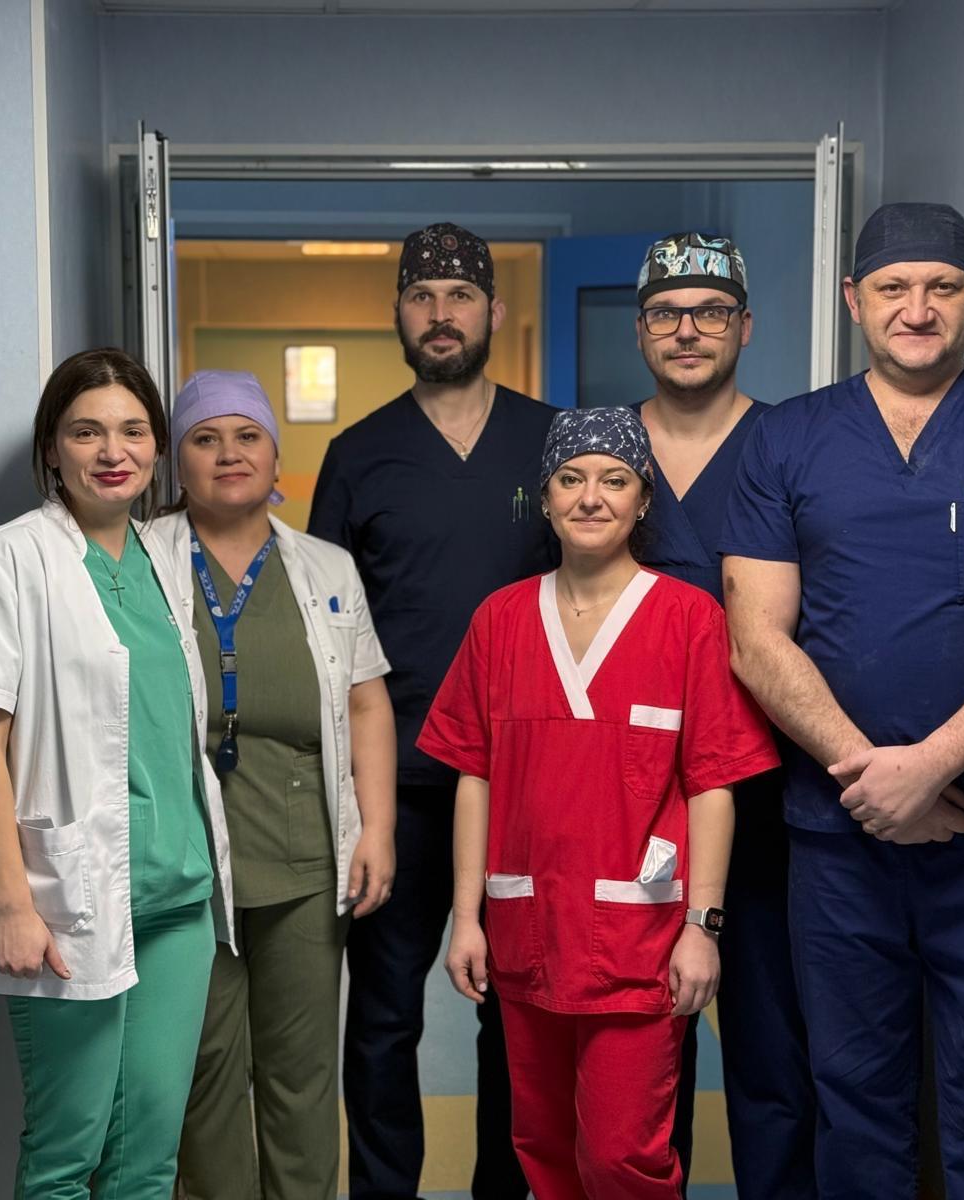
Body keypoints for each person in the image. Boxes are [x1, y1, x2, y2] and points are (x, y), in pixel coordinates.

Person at [720, 203, 964, 1198]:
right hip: (838, 839)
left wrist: (929, 768)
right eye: (893, 287)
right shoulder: (788, 438)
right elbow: (755, 640)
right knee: (854, 1102)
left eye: (943, 287)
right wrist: (874, 782)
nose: (918, 308)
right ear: (854, 299)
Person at [421, 405, 779, 1198]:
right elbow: (474, 775)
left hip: (639, 939)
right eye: (571, 478)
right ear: (544, 499)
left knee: (622, 1158)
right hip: (526, 929)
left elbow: (713, 784)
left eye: (614, 480)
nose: (591, 497)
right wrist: (467, 919)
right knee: (541, 1147)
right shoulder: (500, 620)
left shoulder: (688, 620)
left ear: (643, 499)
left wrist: (702, 927)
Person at [310, 222, 553, 1199]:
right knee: (382, 1018)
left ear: (494, 311)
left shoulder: (552, 441)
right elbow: (328, 640)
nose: (441, 314)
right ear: (399, 314)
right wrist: (353, 806)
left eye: (460, 296)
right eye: (422, 296)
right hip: (400, 787)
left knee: (520, 1015)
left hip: (532, 785)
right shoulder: (360, 455)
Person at [0, 348, 235, 1197]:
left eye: (133, 431)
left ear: (157, 448)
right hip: (66, 902)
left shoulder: (164, 557)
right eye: (86, 432)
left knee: (149, 1160)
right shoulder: (11, 559)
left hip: (178, 901)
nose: (113, 451)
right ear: (52, 448)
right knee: (65, 1156)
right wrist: (13, 904)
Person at [162, 371, 396, 1200]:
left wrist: (377, 828)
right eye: (205, 438)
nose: (229, 454)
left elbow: (366, 701)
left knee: (301, 1075)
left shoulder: (325, 565)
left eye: (247, 436)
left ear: (274, 453)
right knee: (204, 1074)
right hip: (184, 861)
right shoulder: (140, 558)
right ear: (177, 459)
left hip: (304, 859)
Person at [631, 231, 816, 1198]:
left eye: (709, 312)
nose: (687, 331)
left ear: (746, 325)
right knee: (636, 1051)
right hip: (631, 800)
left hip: (768, 790)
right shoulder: (603, 452)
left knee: (771, 1045)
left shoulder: (795, 443)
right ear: (641, 331)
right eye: (666, 313)